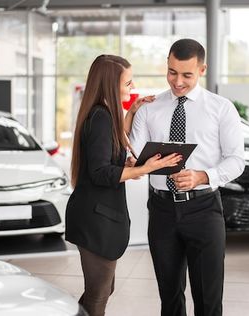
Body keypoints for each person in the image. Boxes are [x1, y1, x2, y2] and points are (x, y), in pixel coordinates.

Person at [129, 39, 245, 316]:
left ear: (202, 69)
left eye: (186, 75)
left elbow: (237, 160)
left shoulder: (221, 108)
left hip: (204, 209)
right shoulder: (149, 108)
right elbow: (133, 156)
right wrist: (135, 161)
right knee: (169, 297)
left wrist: (204, 175)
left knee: (208, 298)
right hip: (161, 210)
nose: (177, 81)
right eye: (171, 72)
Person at [65, 54, 182, 316]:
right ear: (110, 84)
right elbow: (101, 173)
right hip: (95, 220)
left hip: (95, 217)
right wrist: (145, 168)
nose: (131, 86)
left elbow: (109, 153)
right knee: (98, 296)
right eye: (128, 82)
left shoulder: (102, 114)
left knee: (103, 291)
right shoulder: (101, 117)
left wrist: (131, 112)